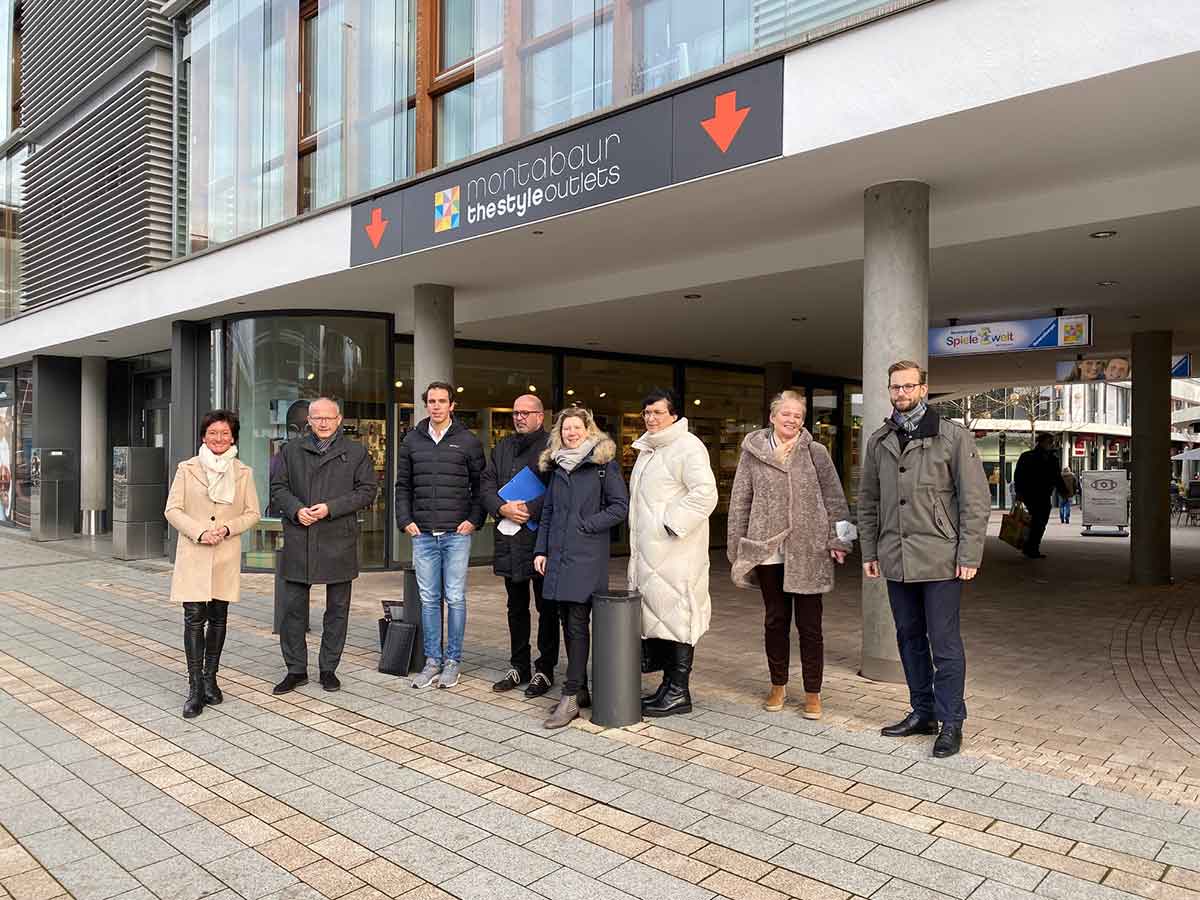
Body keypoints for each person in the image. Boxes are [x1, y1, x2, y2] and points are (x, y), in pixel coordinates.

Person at [858, 361, 991, 758]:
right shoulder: (880, 440)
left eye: (908, 386)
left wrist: (969, 553)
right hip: (896, 557)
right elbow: (868, 501)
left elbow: (975, 500)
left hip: (941, 558)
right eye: (895, 387)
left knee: (945, 642)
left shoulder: (952, 437)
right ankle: (923, 711)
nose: (901, 393)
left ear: (923, 388)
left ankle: (951, 721)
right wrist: (870, 550)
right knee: (909, 638)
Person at [727, 390, 852, 720]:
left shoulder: (816, 452)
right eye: (786, 414)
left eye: (798, 415)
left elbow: (837, 499)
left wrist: (842, 541)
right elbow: (740, 501)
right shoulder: (752, 453)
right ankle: (778, 684)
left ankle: (813, 692)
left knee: (811, 626)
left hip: (809, 549)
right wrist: (735, 547)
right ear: (772, 416)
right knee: (775, 620)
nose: (792, 419)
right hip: (767, 549)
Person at [270, 397, 378, 694]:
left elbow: (368, 491)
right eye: (317, 418)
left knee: (337, 609)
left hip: (337, 536)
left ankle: (329, 668)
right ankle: (295, 669)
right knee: (292, 608)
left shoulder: (356, 452)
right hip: (299, 535)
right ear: (309, 420)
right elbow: (277, 488)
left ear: (339, 419)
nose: (323, 423)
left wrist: (331, 507)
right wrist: (296, 509)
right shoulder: (290, 451)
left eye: (329, 418)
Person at [534, 407, 628, 729]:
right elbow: (547, 512)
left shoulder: (603, 464)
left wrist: (586, 526)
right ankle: (582, 689)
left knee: (576, 622)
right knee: (565, 622)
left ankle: (571, 696)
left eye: (577, 427)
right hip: (558, 556)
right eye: (566, 429)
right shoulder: (558, 465)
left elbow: (619, 508)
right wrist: (541, 549)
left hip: (586, 556)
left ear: (589, 431)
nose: (571, 433)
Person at [628, 388, 718, 718]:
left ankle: (680, 691)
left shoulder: (687, 447)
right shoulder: (649, 449)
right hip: (651, 554)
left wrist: (672, 524)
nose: (651, 418)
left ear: (674, 415)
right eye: (647, 413)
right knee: (658, 618)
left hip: (676, 553)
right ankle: (668, 686)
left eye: (657, 413)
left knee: (679, 618)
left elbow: (706, 494)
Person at [164, 410, 260, 718]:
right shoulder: (186, 469)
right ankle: (194, 689)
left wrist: (228, 529)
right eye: (212, 433)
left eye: (225, 433)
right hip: (194, 552)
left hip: (225, 552)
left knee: (218, 617)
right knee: (194, 618)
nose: (219, 438)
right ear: (203, 436)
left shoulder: (243, 471)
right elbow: (173, 509)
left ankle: (210, 680)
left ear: (233, 437)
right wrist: (199, 531)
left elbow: (252, 512)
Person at [397, 382, 486, 690]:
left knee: (455, 598)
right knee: (429, 599)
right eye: (431, 401)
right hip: (422, 534)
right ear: (426, 405)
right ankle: (432, 661)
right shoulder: (412, 440)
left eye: (441, 401)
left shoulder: (468, 441)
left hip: (456, 534)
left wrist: (474, 520)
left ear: (452, 406)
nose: (435, 406)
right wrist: (404, 519)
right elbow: (402, 486)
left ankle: (453, 662)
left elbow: (481, 485)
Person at [480, 394, 556, 698]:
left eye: (526, 413)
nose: (519, 417)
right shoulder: (503, 447)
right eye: (515, 413)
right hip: (509, 537)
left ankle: (545, 670)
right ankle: (519, 666)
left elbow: (559, 490)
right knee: (515, 607)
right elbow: (486, 485)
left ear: (540, 416)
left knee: (546, 608)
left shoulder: (554, 448)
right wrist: (501, 508)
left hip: (539, 539)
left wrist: (527, 508)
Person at [1013, 433, 1069, 559]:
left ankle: (1031, 546)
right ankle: (1031, 547)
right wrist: (1019, 492)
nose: (1052, 444)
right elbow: (1019, 476)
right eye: (1050, 442)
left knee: (1038, 521)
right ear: (1042, 442)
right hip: (1036, 494)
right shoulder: (1035, 457)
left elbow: (1057, 477)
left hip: (1037, 494)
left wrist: (1063, 491)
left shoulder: (1047, 458)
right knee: (1039, 521)